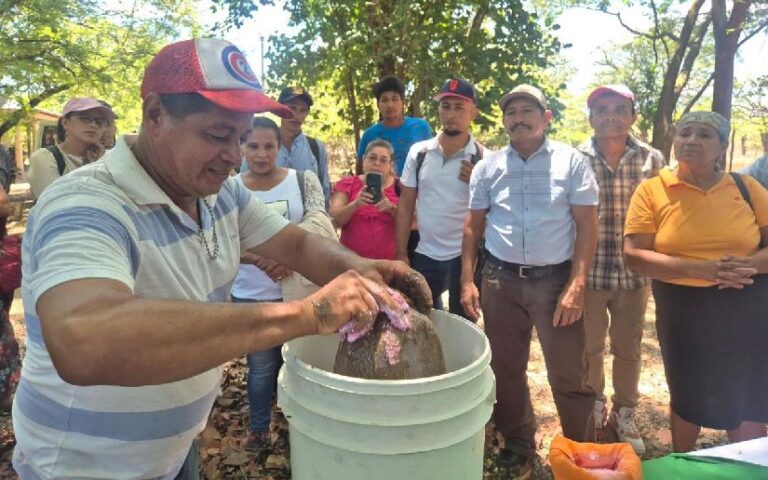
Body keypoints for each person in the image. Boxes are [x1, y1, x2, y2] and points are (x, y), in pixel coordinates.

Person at [11, 38, 429, 480]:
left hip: (176, 453)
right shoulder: (84, 203)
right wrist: (309, 313)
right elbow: (83, 339)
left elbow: (299, 245)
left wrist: (360, 269)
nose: (233, 155)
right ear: (155, 115)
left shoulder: (221, 193)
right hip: (85, 467)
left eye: (241, 138)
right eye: (216, 135)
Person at [460, 84, 599, 478]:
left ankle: (579, 449)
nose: (518, 119)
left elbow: (587, 225)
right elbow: (473, 226)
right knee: (506, 367)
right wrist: (468, 280)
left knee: (569, 371)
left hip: (555, 281)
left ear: (546, 117)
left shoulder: (570, 162)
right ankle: (519, 443)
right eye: (511, 112)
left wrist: (578, 283)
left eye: (527, 111)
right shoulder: (488, 167)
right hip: (500, 281)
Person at [624, 111, 768, 453]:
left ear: (722, 146)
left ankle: (747, 464)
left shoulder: (746, 188)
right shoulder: (653, 190)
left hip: (747, 302)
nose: (691, 140)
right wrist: (699, 270)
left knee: (748, 389)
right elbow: (634, 255)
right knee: (687, 385)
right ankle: (684, 461)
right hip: (683, 304)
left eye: (703, 134)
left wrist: (748, 265)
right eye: (684, 133)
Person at [577, 85, 666, 454]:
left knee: (628, 348)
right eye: (601, 109)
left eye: (618, 108)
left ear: (633, 115)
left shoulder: (653, 160)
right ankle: (595, 408)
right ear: (591, 117)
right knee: (589, 347)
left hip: (633, 276)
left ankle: (625, 412)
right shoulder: (575, 158)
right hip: (590, 272)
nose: (610, 115)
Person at [232, 116, 326, 453]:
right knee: (260, 367)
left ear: (278, 148)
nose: (260, 154)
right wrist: (260, 260)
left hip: (296, 291)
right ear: (241, 147)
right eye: (253, 146)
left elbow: (318, 223)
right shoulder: (230, 188)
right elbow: (225, 241)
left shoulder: (301, 180)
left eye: (268, 146)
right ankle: (259, 430)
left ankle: (301, 425)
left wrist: (288, 259)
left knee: (299, 362)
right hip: (251, 294)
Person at [396, 78, 488, 319]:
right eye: (445, 106)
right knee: (417, 323)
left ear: (473, 112)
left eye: (459, 107)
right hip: (424, 254)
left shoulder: (483, 159)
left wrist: (476, 182)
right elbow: (405, 205)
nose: (451, 114)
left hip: (465, 259)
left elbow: (493, 212)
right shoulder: (420, 153)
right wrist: (401, 253)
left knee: (463, 327)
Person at [241, 86, 332, 206]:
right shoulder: (260, 145)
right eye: (292, 108)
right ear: (280, 110)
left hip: (306, 221)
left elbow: (324, 191)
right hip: (266, 218)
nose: (297, 115)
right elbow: (243, 184)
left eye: (303, 110)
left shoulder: (316, 148)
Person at [27, 97, 114, 199]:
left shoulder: (109, 159)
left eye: (100, 121)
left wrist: (99, 164)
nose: (93, 125)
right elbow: (57, 202)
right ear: (65, 123)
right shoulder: (45, 157)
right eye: (85, 118)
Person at [331, 139, 399, 259]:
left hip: (388, 265)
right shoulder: (348, 185)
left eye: (383, 160)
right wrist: (355, 204)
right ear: (363, 160)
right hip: (350, 263)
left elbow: (413, 223)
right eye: (372, 158)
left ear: (391, 165)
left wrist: (392, 209)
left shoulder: (401, 187)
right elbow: (333, 221)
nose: (377, 163)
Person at [357, 75, 432, 176]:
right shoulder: (369, 135)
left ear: (403, 102)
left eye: (394, 99)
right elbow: (360, 173)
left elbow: (432, 163)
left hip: (416, 190)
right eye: (385, 100)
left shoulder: (421, 127)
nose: (390, 105)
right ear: (378, 104)